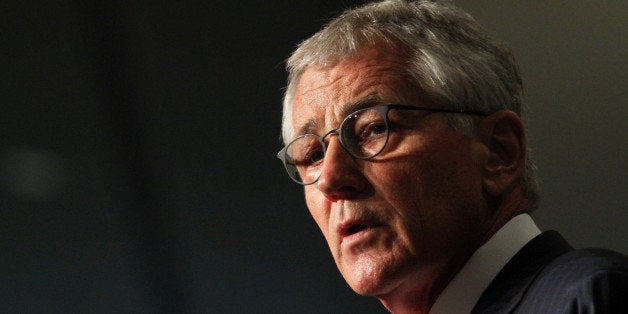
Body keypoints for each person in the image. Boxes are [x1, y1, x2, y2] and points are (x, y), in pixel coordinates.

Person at [276, 0, 628, 313]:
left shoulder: (593, 297)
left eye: (374, 129)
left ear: (498, 151)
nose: (331, 179)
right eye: (312, 154)